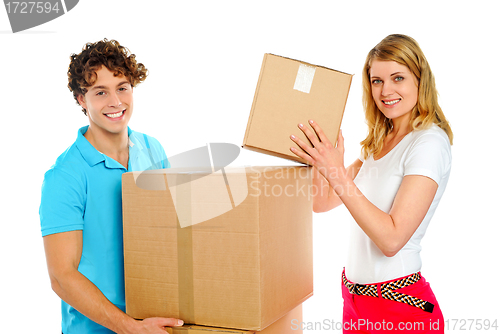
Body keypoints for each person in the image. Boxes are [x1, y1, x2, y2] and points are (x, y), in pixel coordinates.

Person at [290, 34, 453, 333]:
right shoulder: (378, 142)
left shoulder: (428, 142)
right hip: (355, 302)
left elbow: (391, 240)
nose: (386, 90)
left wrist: (336, 171)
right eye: (376, 80)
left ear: (420, 81)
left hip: (400, 308)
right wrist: (318, 158)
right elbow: (322, 202)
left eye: (398, 78)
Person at [39, 39, 184, 334]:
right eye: (100, 92)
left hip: (153, 322)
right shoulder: (65, 176)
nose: (116, 102)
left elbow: (170, 233)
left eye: (122, 87)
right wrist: (130, 328)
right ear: (82, 99)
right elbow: (62, 276)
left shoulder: (151, 149)